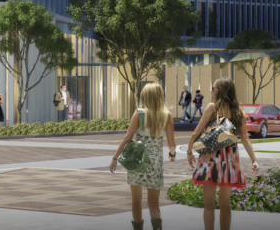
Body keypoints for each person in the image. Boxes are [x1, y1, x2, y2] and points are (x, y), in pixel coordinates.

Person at [186, 78, 259, 230]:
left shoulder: (212, 107)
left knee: (209, 205)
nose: (211, 91)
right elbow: (245, 138)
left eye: (214, 88)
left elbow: (196, 132)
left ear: (221, 91)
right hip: (229, 160)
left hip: (210, 160)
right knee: (225, 205)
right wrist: (254, 160)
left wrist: (189, 151)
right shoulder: (238, 111)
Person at [110, 83, 178, 230]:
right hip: (155, 162)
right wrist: (172, 154)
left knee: (136, 201)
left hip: (138, 158)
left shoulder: (139, 113)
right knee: (154, 204)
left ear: (145, 96)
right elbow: (171, 142)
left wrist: (115, 157)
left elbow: (127, 137)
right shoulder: (166, 115)